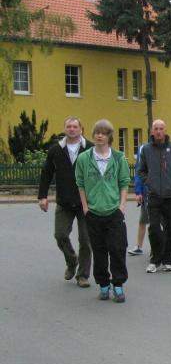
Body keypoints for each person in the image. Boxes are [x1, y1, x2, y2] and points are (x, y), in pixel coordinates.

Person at [74, 119, 130, 302]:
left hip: (114, 211)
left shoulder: (119, 158)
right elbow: (80, 183)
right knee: (99, 251)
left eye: (103, 133)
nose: (99, 136)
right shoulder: (84, 158)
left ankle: (118, 285)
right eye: (97, 133)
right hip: (93, 212)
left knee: (117, 249)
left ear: (109, 137)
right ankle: (104, 285)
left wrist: (122, 206)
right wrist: (85, 207)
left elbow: (124, 182)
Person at [37, 116, 93, 288]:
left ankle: (82, 276)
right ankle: (72, 260)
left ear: (81, 129)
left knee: (86, 240)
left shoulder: (90, 148)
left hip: (86, 203)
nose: (72, 129)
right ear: (64, 129)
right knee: (60, 235)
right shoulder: (55, 150)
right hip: (64, 201)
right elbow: (46, 173)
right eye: (69, 126)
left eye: (75, 126)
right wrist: (42, 196)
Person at [137, 119, 171, 273]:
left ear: (165, 130)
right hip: (153, 195)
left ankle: (168, 260)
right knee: (154, 229)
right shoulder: (146, 149)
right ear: (152, 131)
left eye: (161, 128)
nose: (158, 131)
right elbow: (141, 170)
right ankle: (155, 260)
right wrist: (148, 182)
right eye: (156, 128)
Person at [128, 145, 171, 256]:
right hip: (147, 192)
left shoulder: (167, 148)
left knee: (162, 221)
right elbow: (139, 171)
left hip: (161, 193)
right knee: (143, 220)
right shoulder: (143, 149)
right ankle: (139, 247)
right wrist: (138, 191)